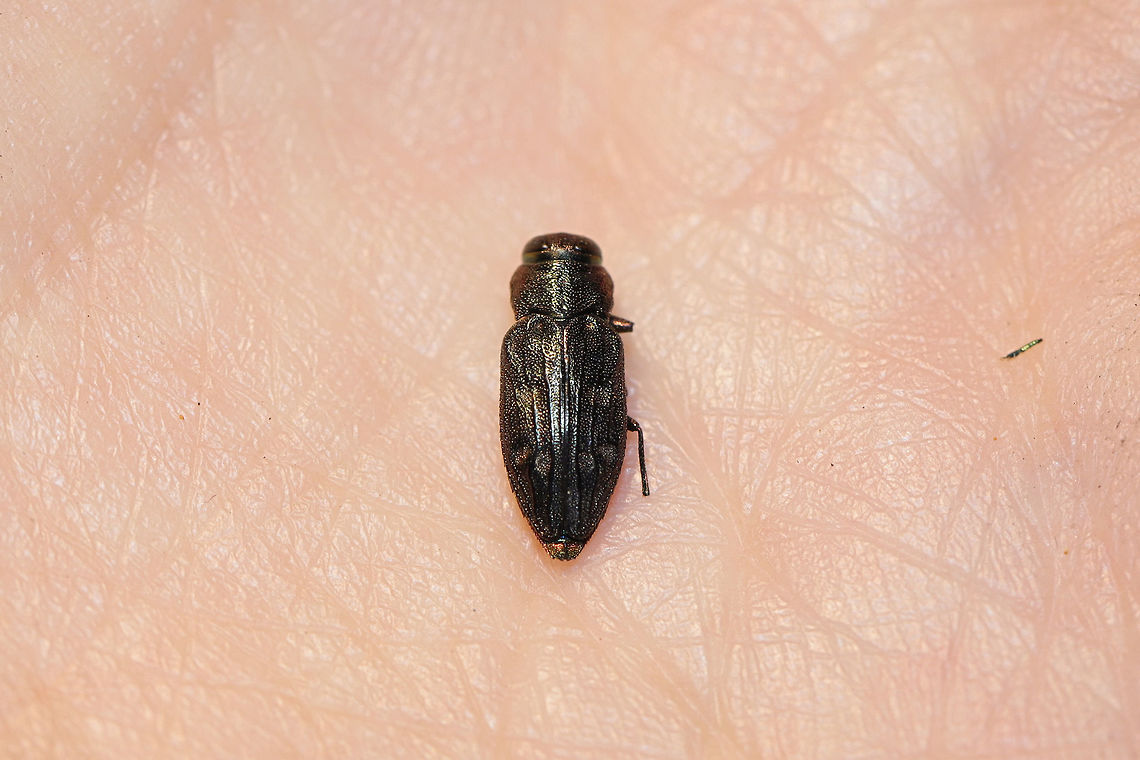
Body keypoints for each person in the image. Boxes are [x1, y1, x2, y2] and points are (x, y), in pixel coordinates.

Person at [2, 2, 1135, 756]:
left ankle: (560, 529)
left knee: (571, 454)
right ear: (589, 292)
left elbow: (531, 424)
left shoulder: (521, 347)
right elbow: (578, 418)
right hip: (581, 478)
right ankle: (567, 527)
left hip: (568, 480)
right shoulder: (593, 340)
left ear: (530, 293)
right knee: (584, 448)